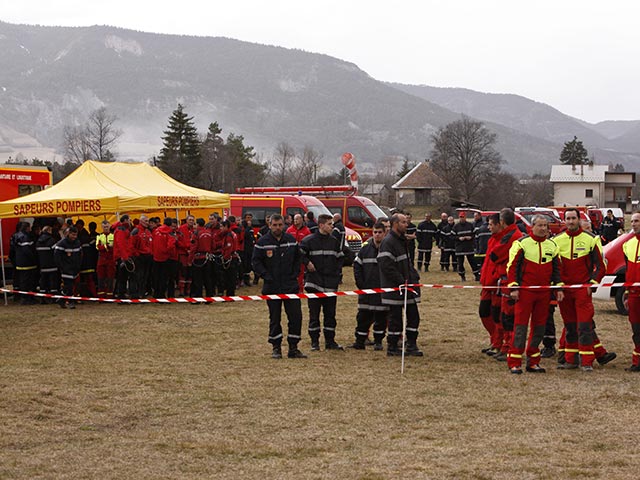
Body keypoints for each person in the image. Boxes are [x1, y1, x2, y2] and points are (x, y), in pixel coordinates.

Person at [506, 215, 564, 374]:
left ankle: (533, 361)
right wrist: (514, 287)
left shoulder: (552, 245)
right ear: (532, 227)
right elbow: (512, 268)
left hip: (544, 293)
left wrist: (559, 288)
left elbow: (557, 270)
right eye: (540, 225)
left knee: (539, 328)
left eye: (546, 225)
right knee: (520, 327)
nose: (544, 228)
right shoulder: (521, 244)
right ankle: (514, 361)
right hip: (525, 293)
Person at [553, 208, 606, 372]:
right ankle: (570, 360)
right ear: (564, 221)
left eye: (573, 218)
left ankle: (587, 361)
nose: (570, 221)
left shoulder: (592, 239)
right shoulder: (556, 240)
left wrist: (592, 283)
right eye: (567, 218)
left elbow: (601, 266)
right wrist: (558, 286)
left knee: (584, 325)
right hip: (565, 291)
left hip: (583, 289)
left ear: (578, 219)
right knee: (569, 326)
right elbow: (553, 267)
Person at [252, 214, 307, 359]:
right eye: (274, 225)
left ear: (284, 225)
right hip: (272, 287)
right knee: (275, 318)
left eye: (280, 225)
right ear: (270, 225)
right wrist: (266, 276)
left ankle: (293, 348)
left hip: (290, 286)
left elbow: (298, 258)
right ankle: (276, 347)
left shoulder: (290, 240)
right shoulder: (262, 242)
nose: (277, 228)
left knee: (296, 317)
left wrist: (294, 274)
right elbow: (256, 262)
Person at [378, 213, 423, 357]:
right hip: (396, 288)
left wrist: (413, 277)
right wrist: (401, 281)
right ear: (395, 224)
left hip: (408, 286)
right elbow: (386, 265)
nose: (407, 224)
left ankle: (411, 344)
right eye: (403, 222)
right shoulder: (388, 242)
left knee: (413, 316)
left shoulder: (402, 240)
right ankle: (392, 346)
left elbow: (406, 262)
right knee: (395, 319)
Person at [300, 213, 345, 351]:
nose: (332, 226)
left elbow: (340, 259)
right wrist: (307, 263)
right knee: (314, 315)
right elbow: (300, 253)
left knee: (330, 314)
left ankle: (330, 341)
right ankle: (315, 342)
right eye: (330, 224)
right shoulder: (309, 241)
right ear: (321, 225)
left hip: (330, 284)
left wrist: (336, 275)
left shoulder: (334, 241)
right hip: (315, 283)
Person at [349, 221, 389, 350]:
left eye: (380, 232)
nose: (377, 235)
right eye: (375, 232)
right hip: (366, 291)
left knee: (381, 318)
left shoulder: (388, 249)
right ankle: (360, 341)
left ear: (385, 233)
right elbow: (357, 266)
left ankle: (378, 342)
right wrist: (361, 284)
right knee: (362, 318)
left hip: (382, 291)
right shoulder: (365, 249)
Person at [491, 208, 524, 362]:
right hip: (504, 279)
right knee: (503, 315)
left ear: (502, 222)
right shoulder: (512, 234)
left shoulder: (511, 236)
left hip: (508, 279)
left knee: (509, 316)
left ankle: (510, 347)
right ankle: (505, 346)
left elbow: (495, 255)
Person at [478, 213, 503, 355]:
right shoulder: (491, 240)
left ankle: (498, 343)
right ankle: (494, 341)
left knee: (496, 316)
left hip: (495, 285)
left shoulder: (503, 241)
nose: (489, 227)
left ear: (499, 225)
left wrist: (494, 278)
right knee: (484, 313)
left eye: (491, 224)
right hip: (487, 284)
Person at [622, 211, 640, 372]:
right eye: (633, 221)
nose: (634, 224)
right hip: (634, 295)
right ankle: (637, 361)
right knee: (636, 329)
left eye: (637, 221)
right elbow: (628, 271)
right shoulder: (628, 245)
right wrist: (627, 293)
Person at [53, 226, 82, 309]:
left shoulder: (77, 243)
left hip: (75, 269)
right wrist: (62, 267)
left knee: (70, 286)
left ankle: (61, 300)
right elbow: (57, 258)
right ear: (68, 234)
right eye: (73, 235)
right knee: (69, 286)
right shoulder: (61, 244)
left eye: (76, 235)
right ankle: (70, 302)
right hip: (66, 269)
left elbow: (80, 255)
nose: (74, 237)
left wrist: (78, 266)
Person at [152, 218, 178, 298]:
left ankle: (156, 294)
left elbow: (152, 243)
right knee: (164, 278)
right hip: (166, 258)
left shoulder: (156, 231)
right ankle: (162, 295)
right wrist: (168, 252)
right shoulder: (170, 233)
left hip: (156, 256)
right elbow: (170, 246)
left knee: (156, 277)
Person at [13, 221, 38, 304]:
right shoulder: (25, 237)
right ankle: (26, 298)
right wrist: (34, 259)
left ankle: (25, 297)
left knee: (23, 280)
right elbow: (27, 251)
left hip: (20, 262)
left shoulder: (16, 236)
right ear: (26, 228)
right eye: (29, 227)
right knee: (27, 281)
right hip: (27, 263)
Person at [286, 213, 311, 292]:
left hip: (301, 255)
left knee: (301, 272)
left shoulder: (306, 231)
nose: (295, 221)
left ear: (301, 220)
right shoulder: (290, 230)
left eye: (297, 219)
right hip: (290, 255)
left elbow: (309, 242)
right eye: (294, 219)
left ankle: (300, 289)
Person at [130, 215, 153, 298]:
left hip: (148, 256)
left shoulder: (148, 231)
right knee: (137, 276)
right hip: (139, 257)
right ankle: (135, 294)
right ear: (141, 221)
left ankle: (142, 293)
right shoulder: (135, 231)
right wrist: (137, 254)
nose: (147, 223)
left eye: (148, 221)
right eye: (146, 221)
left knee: (145, 277)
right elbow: (131, 245)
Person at [452, 212, 478, 282]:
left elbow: (475, 234)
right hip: (460, 248)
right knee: (460, 264)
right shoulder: (456, 227)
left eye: (463, 217)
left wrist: (470, 237)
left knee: (473, 262)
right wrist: (458, 238)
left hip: (469, 247)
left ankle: (477, 275)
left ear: (465, 217)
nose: (462, 218)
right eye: (460, 217)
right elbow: (452, 236)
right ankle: (462, 276)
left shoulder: (470, 225)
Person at [36, 224, 59, 302]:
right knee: (53, 282)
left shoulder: (38, 241)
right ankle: (53, 298)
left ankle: (42, 298)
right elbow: (56, 252)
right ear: (49, 231)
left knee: (43, 281)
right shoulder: (51, 240)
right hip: (52, 264)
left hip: (42, 264)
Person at [113, 215, 133, 298]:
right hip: (121, 256)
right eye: (129, 219)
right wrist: (124, 257)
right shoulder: (121, 230)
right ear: (125, 220)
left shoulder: (123, 229)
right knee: (122, 276)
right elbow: (120, 244)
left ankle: (121, 293)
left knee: (122, 276)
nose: (130, 221)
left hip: (122, 255)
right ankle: (121, 294)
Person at [218, 219, 239, 296]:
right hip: (233, 257)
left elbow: (228, 248)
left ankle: (229, 294)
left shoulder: (229, 235)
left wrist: (225, 258)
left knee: (230, 278)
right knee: (231, 277)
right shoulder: (231, 233)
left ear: (226, 226)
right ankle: (230, 293)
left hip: (230, 259)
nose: (220, 228)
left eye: (221, 227)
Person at [177, 215, 196, 296]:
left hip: (191, 254)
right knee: (183, 272)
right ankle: (181, 290)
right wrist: (186, 249)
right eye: (190, 220)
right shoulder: (181, 229)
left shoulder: (194, 230)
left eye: (192, 220)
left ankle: (188, 289)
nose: (191, 221)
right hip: (183, 254)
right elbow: (179, 241)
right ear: (187, 220)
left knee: (190, 272)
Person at [96, 220, 115, 296]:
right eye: (104, 227)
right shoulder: (99, 236)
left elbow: (115, 247)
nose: (106, 228)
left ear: (109, 226)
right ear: (102, 227)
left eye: (107, 226)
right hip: (102, 259)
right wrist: (107, 246)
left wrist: (104, 247)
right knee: (101, 277)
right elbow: (98, 247)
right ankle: (101, 295)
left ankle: (109, 295)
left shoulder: (113, 236)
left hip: (110, 260)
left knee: (110, 277)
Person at [240, 213, 256, 286]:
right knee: (245, 265)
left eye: (250, 217)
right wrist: (248, 227)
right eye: (248, 217)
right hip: (245, 249)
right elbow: (244, 235)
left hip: (250, 248)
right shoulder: (243, 226)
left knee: (249, 265)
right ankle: (243, 280)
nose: (249, 219)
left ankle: (247, 280)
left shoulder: (251, 227)